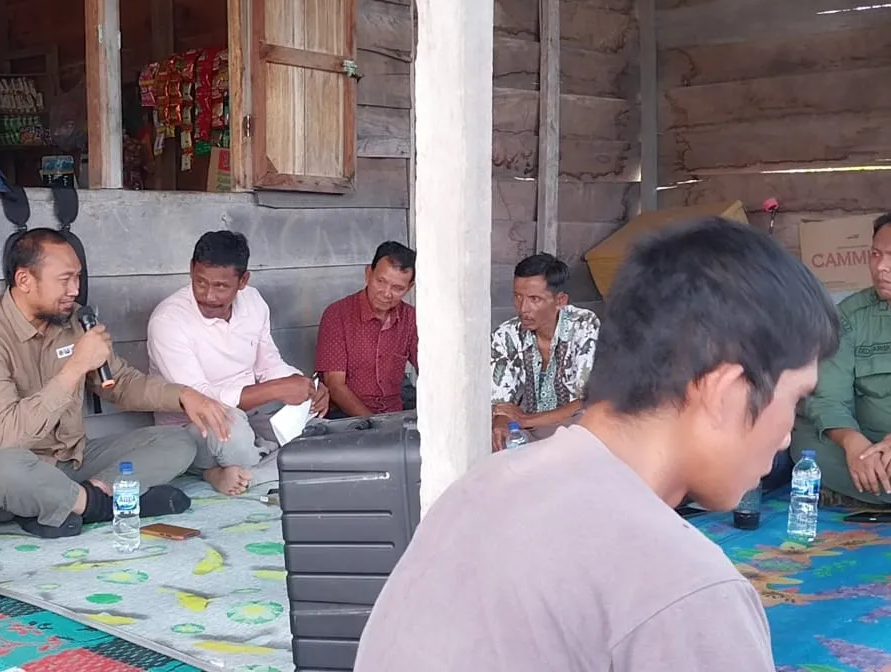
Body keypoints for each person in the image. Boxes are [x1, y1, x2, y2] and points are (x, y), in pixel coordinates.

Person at [354, 216, 840, 671]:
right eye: (795, 399)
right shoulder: (688, 589)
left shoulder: (477, 487)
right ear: (725, 391)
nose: (786, 435)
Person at [0, 228, 230, 539]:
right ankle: (104, 505)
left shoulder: (74, 321)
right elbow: (7, 437)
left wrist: (183, 396)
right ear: (25, 280)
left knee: (178, 442)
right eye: (64, 279)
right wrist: (76, 366)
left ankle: (74, 502)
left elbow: (121, 384)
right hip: (2, 469)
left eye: (78, 278)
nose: (75, 290)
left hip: (69, 461)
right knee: (2, 469)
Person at [146, 230, 329, 495]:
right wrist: (276, 390)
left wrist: (306, 386)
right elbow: (201, 398)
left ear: (243, 280)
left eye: (221, 286)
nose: (208, 295)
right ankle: (247, 466)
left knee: (320, 434)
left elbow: (269, 365)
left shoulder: (254, 302)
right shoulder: (168, 320)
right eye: (200, 282)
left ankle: (242, 474)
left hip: (252, 416)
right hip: (194, 427)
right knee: (236, 434)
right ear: (191, 270)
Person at [793, 212, 891, 508]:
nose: (881, 267)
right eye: (875, 254)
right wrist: (852, 442)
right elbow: (828, 398)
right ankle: (871, 481)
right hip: (864, 442)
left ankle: (865, 489)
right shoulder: (849, 317)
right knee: (806, 445)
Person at [490, 252, 599, 450]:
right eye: (518, 297)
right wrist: (501, 421)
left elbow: (587, 401)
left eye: (535, 299)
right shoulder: (506, 335)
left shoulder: (584, 325)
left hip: (571, 428)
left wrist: (526, 420)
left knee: (589, 419)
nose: (523, 308)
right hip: (528, 432)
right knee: (497, 437)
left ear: (560, 300)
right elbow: (501, 404)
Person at [315, 241, 418, 418]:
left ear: (409, 287)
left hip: (395, 414)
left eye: (398, 288)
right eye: (381, 281)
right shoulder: (337, 314)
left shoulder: (411, 318)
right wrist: (375, 426)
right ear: (368, 274)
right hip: (346, 419)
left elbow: (430, 369)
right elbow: (335, 385)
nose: (386, 293)